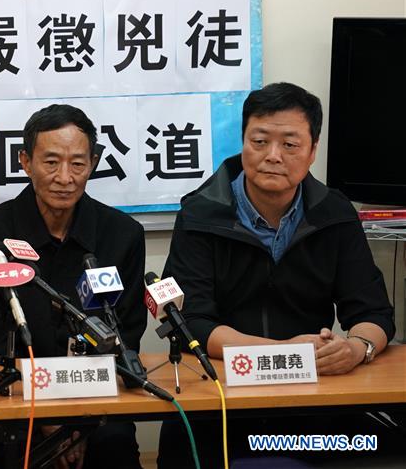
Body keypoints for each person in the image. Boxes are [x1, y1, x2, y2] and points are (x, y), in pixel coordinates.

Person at [158, 82, 399, 467]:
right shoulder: (201, 214)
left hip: (312, 405)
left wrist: (355, 349)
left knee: (380, 447)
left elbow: (373, 312)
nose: (273, 156)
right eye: (260, 141)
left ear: (312, 151)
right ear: (242, 142)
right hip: (220, 401)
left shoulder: (334, 213)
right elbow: (191, 322)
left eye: (290, 144)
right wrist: (285, 354)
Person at [0, 104, 147, 469]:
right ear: (25, 162)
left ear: (92, 163)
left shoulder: (122, 235)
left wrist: (78, 419)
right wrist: (47, 416)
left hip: (99, 406)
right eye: (51, 163)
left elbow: (127, 332)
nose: (65, 177)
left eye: (78, 164)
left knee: (113, 445)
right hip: (17, 404)